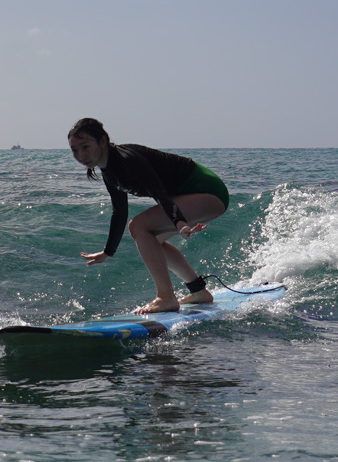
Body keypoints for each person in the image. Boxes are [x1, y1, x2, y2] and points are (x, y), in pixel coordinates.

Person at [68, 117, 230, 314]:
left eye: (85, 146)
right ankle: (198, 291)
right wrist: (108, 252)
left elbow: (160, 194)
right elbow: (119, 211)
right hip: (193, 194)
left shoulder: (128, 160)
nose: (81, 155)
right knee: (152, 241)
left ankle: (166, 297)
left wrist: (180, 224)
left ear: (103, 140)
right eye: (75, 150)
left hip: (209, 190)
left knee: (138, 226)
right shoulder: (109, 170)